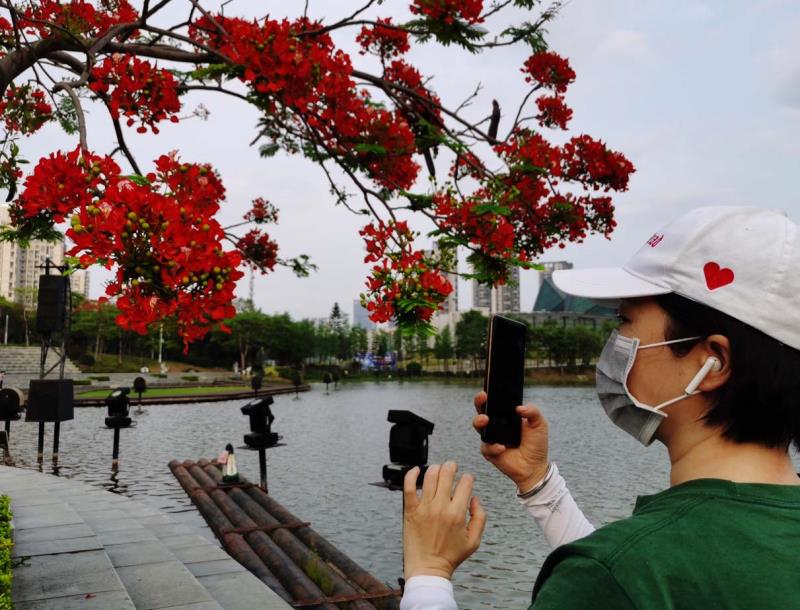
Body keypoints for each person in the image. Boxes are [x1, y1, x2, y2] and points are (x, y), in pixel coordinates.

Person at [400, 206, 800, 609]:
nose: (614, 342)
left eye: (624, 321)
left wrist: (429, 572)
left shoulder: (616, 573)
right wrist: (539, 484)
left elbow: (620, 577)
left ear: (713, 362)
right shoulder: (638, 567)